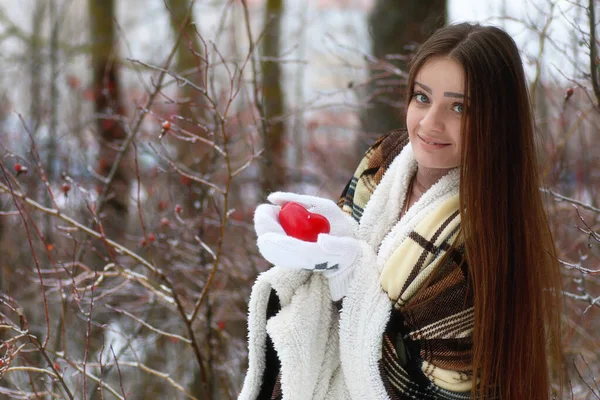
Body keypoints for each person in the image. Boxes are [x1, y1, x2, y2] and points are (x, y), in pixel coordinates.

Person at [239, 22, 564, 400]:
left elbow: (428, 391)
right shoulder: (384, 159)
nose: (429, 123)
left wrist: (352, 278)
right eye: (423, 98)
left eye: (459, 107)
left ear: (496, 121)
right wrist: (317, 238)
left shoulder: (482, 241)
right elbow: (334, 261)